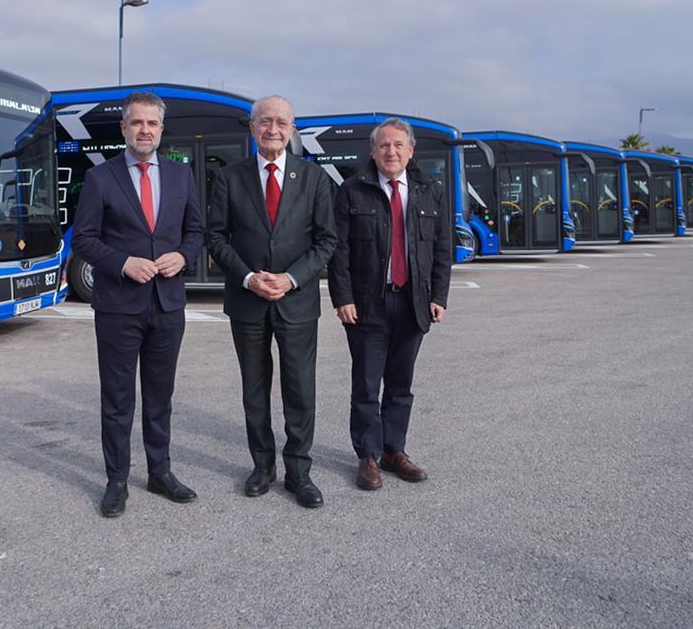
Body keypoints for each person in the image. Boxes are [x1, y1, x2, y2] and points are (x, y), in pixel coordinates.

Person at [70, 91, 204, 518]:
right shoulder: (101, 178)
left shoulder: (182, 176)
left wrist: (183, 256)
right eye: (137, 123)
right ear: (123, 128)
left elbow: (197, 232)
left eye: (152, 123)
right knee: (118, 398)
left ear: (161, 130)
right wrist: (123, 263)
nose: (145, 130)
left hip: (167, 305)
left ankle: (160, 472)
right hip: (118, 307)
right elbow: (84, 239)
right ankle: (117, 480)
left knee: (160, 396)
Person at [205, 95, 338, 508]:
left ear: (292, 129)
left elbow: (326, 241)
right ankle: (262, 466)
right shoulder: (229, 177)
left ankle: (299, 472)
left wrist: (291, 278)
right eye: (265, 122)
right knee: (254, 388)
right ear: (252, 127)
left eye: (281, 122)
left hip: (296, 302)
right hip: (247, 302)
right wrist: (247, 277)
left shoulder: (313, 179)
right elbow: (216, 237)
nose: (273, 129)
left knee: (301, 389)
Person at [327, 117, 451, 491]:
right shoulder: (352, 190)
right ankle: (367, 456)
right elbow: (339, 251)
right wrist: (343, 297)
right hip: (367, 306)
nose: (391, 151)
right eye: (384, 145)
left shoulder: (431, 191)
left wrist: (439, 296)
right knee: (366, 384)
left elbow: (442, 249)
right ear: (373, 151)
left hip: (413, 303)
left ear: (411, 151)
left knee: (401, 383)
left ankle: (394, 451)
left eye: (399, 145)